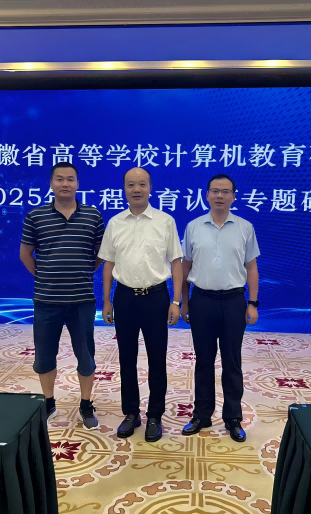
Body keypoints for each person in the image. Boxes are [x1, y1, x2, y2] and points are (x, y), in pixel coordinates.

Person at [98, 167, 183, 443]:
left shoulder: (165, 221)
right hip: (124, 298)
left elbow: (176, 262)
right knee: (126, 358)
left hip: (156, 298)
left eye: (142, 184)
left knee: (157, 358)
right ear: (124, 189)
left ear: (150, 188)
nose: (137, 189)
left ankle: (155, 415)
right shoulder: (115, 223)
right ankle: (131, 413)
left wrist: (176, 301)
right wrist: (106, 300)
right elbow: (108, 263)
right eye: (131, 185)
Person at [20, 162, 105, 430]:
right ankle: (49, 403)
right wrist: (46, 276)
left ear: (78, 184)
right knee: (45, 356)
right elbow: (25, 254)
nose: (65, 184)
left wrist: (82, 271)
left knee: (86, 356)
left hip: (82, 301)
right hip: (46, 301)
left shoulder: (93, 215)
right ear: (51, 184)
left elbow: (100, 254)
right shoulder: (36, 216)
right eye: (59, 179)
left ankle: (86, 404)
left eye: (70, 179)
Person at [180, 173, 260, 443]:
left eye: (225, 192)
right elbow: (186, 267)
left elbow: (251, 268)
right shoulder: (193, 227)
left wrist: (252, 303)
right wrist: (184, 302)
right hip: (201, 300)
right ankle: (202, 415)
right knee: (203, 360)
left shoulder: (245, 227)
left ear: (234, 196)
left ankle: (233, 418)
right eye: (215, 191)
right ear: (206, 195)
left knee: (231, 360)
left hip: (234, 301)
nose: (219, 196)